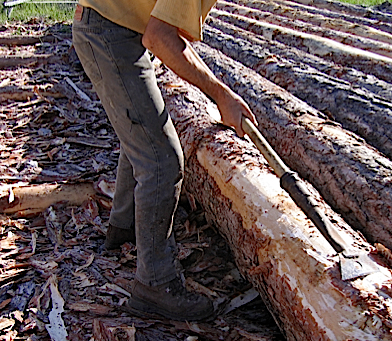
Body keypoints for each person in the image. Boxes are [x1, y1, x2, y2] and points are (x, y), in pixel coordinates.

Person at [72, 0, 256, 321]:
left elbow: (166, 34)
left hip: (113, 28)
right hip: (109, 32)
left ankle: (124, 228)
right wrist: (221, 94)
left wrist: (221, 94)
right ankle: (155, 284)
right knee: (162, 159)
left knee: (143, 140)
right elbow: (159, 36)